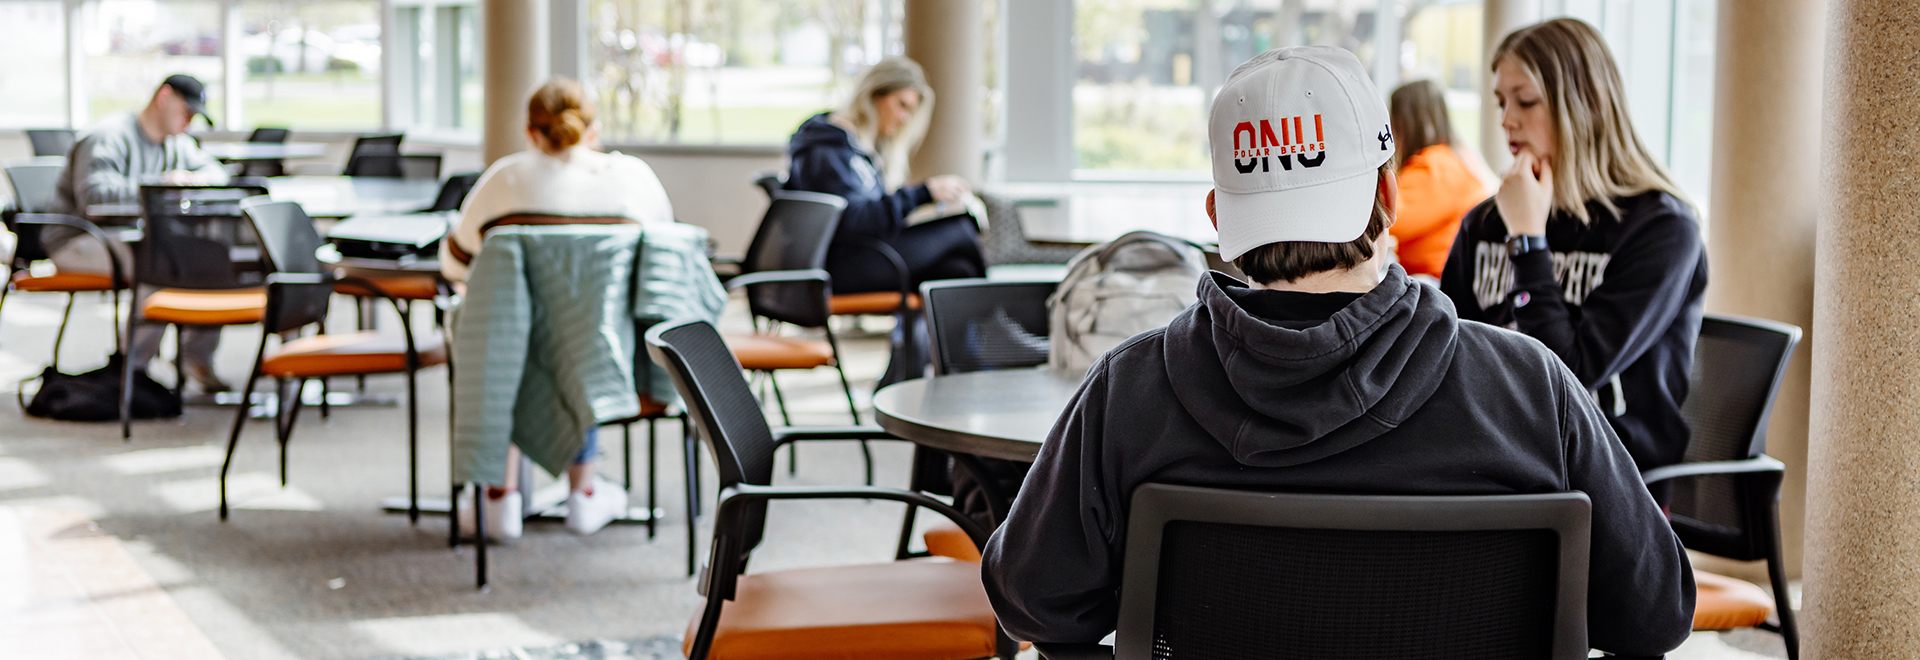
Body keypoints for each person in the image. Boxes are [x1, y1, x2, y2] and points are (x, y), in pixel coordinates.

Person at [981, 46, 1693, 658]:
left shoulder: (1129, 390)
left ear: (1218, 217)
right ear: (1388, 193)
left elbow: (1034, 600)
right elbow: (1654, 610)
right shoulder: (1529, 386)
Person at [1438, 18, 1708, 502]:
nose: (1506, 121)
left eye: (1525, 101)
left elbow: (1566, 378)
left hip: (1609, 483)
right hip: (1497, 461)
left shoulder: (1662, 230)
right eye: (1501, 102)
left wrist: (1527, 241)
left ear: (1581, 105)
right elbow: (1447, 352)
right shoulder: (1485, 222)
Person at [444, 77, 674, 538]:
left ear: (531, 132)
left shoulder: (505, 177)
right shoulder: (633, 177)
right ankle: (583, 493)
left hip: (509, 349)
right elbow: (664, 255)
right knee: (574, 337)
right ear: (594, 130)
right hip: (608, 350)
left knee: (508, 336)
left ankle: (499, 499)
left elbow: (456, 262)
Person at [50, 74, 232, 391]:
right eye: (185, 112)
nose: (188, 122)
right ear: (164, 97)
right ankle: (130, 370)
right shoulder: (109, 135)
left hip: (134, 240)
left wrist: (191, 178)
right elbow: (94, 198)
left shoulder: (177, 142)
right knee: (158, 264)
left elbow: (217, 173)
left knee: (209, 258)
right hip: (79, 239)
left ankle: (194, 358)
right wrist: (159, 186)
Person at [783, 56, 983, 296]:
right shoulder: (827, 150)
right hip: (837, 267)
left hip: (865, 255)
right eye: (902, 105)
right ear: (874, 94)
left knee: (957, 269)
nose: (904, 118)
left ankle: (981, 331)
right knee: (961, 228)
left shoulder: (856, 147)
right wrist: (923, 193)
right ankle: (1005, 321)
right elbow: (853, 221)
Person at [1387, 79, 1490, 280]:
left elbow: (1387, 218)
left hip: (1436, 280)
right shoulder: (1455, 157)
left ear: (1407, 123)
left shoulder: (1437, 167)